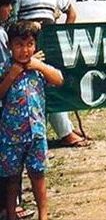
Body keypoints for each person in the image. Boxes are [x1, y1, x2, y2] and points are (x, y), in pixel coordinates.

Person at [14, 0, 86, 148]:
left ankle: (66, 130)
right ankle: (63, 133)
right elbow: (12, 24)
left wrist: (63, 36)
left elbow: (71, 12)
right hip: (28, 53)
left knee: (54, 87)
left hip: (50, 50)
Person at [0, 20, 65, 220]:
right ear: (10, 46)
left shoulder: (37, 67)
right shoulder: (5, 68)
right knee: (12, 178)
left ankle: (43, 215)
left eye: (29, 44)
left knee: (38, 175)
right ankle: (11, 214)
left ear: (35, 46)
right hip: (11, 136)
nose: (24, 50)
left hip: (36, 133)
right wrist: (12, 75)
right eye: (19, 45)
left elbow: (59, 79)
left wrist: (39, 65)